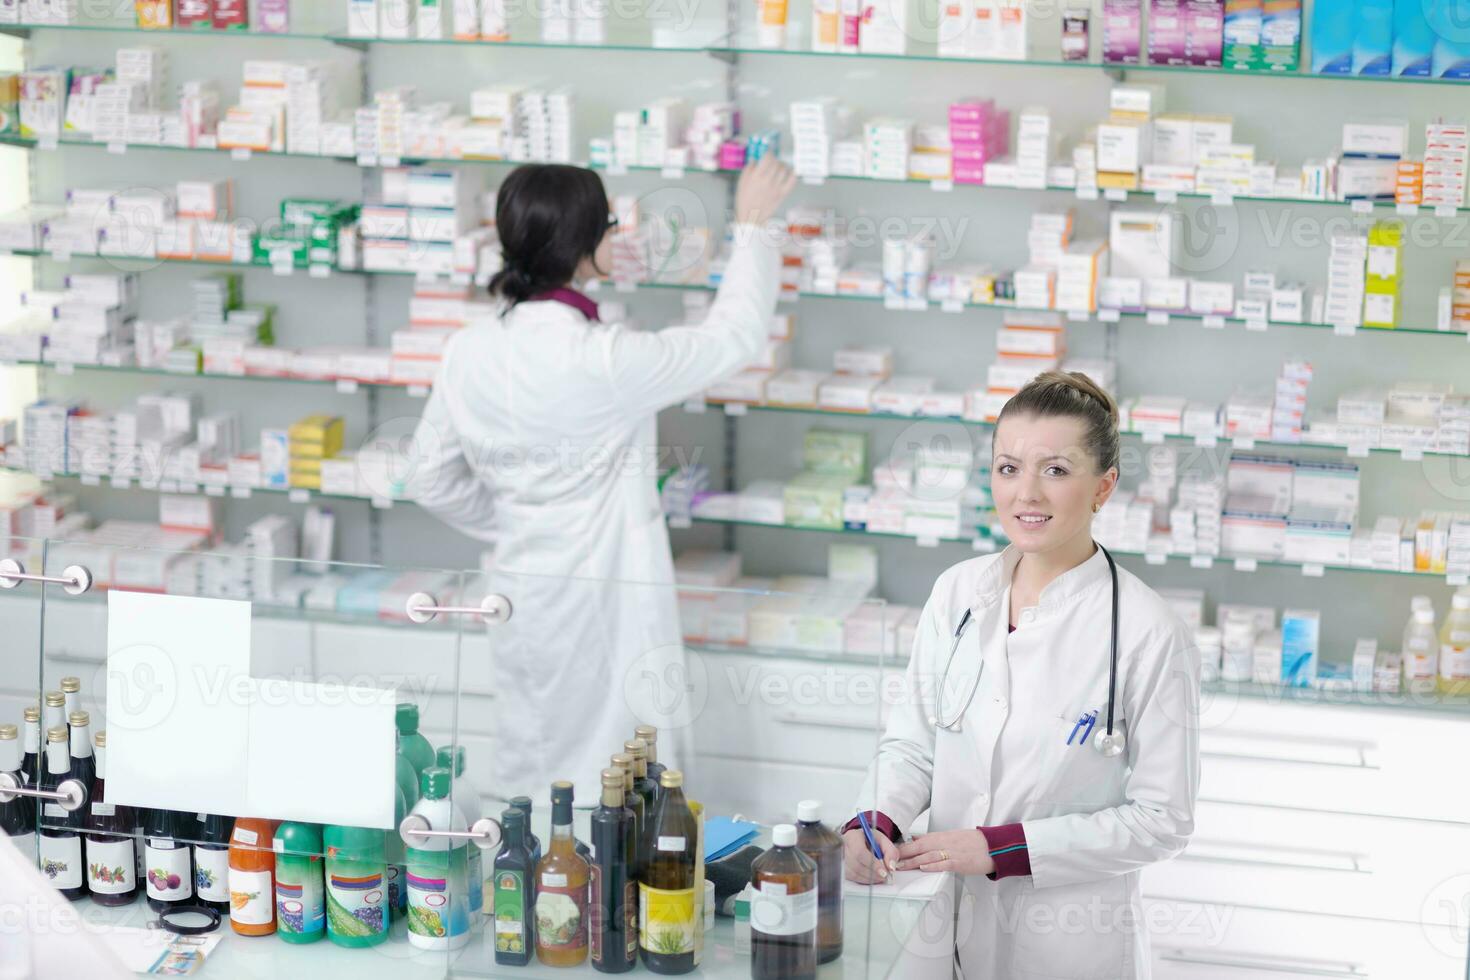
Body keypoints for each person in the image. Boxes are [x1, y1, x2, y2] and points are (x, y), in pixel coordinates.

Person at [409, 156, 796, 801]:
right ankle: (604, 900)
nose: (619, 237)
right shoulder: (603, 359)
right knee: (620, 778)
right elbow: (734, 338)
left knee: (529, 770)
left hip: (518, 591)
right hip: (601, 598)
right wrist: (754, 226)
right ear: (584, 246)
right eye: (611, 225)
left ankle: (528, 890)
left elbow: (427, 476)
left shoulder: (468, 349)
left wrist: (515, 517)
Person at [842, 371, 1200, 978]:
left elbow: (1162, 819)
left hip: (1066, 941)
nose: (1026, 493)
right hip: (942, 919)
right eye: (1008, 468)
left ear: (1103, 488)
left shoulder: (1147, 631)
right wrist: (874, 820)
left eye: (1055, 470)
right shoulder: (957, 591)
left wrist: (1003, 849)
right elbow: (913, 741)